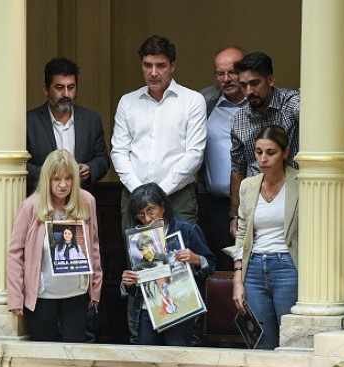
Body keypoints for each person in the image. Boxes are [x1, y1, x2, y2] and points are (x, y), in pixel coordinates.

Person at [111, 35, 207, 227]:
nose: (153, 72)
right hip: (134, 195)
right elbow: (119, 151)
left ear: (172, 66)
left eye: (160, 65)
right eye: (147, 65)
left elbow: (194, 154)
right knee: (138, 256)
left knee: (180, 256)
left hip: (178, 196)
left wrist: (157, 194)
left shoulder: (192, 101)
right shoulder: (127, 102)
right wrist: (141, 194)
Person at [7, 149, 102, 342]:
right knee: (45, 354)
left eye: (68, 178)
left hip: (77, 293)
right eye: (56, 179)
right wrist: (16, 296)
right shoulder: (31, 206)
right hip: (43, 296)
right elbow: (15, 253)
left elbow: (93, 248)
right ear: (46, 179)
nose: (63, 185)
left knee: (75, 352)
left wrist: (95, 290)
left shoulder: (86, 202)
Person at [120, 183, 214, 346]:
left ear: (163, 207)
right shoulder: (137, 237)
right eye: (141, 215)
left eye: (151, 210)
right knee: (147, 362)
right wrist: (127, 282)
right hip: (147, 309)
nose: (147, 219)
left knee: (176, 358)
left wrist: (196, 259)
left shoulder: (186, 230)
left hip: (179, 308)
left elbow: (211, 265)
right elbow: (135, 281)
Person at [231, 125, 299, 350]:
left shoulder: (302, 183)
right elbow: (241, 234)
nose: (263, 159)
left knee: (291, 340)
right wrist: (237, 279)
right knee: (261, 342)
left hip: (287, 267)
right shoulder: (248, 186)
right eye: (259, 152)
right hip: (254, 269)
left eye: (271, 153)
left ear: (285, 153)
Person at [229, 52, 300, 235]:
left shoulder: (291, 106)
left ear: (270, 79)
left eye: (255, 83)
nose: (249, 92)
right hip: (256, 203)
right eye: (243, 85)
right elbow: (238, 167)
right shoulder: (239, 120)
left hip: (293, 200)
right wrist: (235, 215)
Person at [26, 57, 110, 195]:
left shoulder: (91, 120)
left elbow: (102, 159)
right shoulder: (29, 122)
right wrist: (49, 174)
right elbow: (21, 165)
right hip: (41, 202)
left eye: (71, 87)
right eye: (59, 87)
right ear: (46, 89)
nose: (66, 94)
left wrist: (90, 168)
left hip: (81, 203)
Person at [199, 46, 248, 266]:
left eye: (233, 72)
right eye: (221, 73)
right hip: (217, 206)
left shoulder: (261, 102)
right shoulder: (204, 102)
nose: (226, 79)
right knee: (220, 271)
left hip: (257, 203)